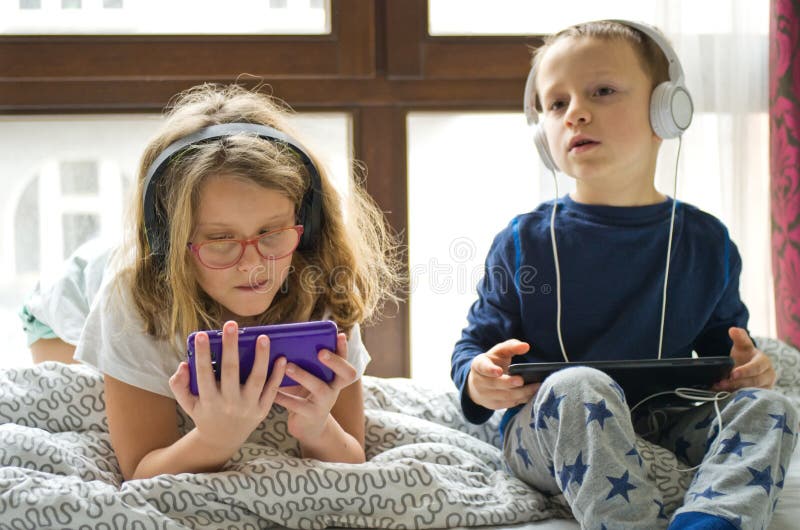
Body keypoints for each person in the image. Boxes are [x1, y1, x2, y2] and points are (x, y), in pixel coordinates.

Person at [451, 20, 798, 530]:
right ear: (542, 134)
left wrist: (744, 371)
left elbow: (723, 351)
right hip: (549, 430)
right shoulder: (523, 242)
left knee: (771, 406)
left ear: (667, 110)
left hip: (665, 419)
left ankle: (710, 522)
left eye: (603, 91)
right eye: (556, 104)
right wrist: (480, 382)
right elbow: (471, 350)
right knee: (580, 384)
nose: (576, 113)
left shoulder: (707, 242)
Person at [74, 83, 400, 481]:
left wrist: (317, 429)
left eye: (272, 232)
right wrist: (215, 440)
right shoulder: (132, 299)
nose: (254, 265)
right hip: (72, 294)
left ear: (308, 228)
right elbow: (141, 470)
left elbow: (351, 457)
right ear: (170, 245)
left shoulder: (319, 277)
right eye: (221, 240)